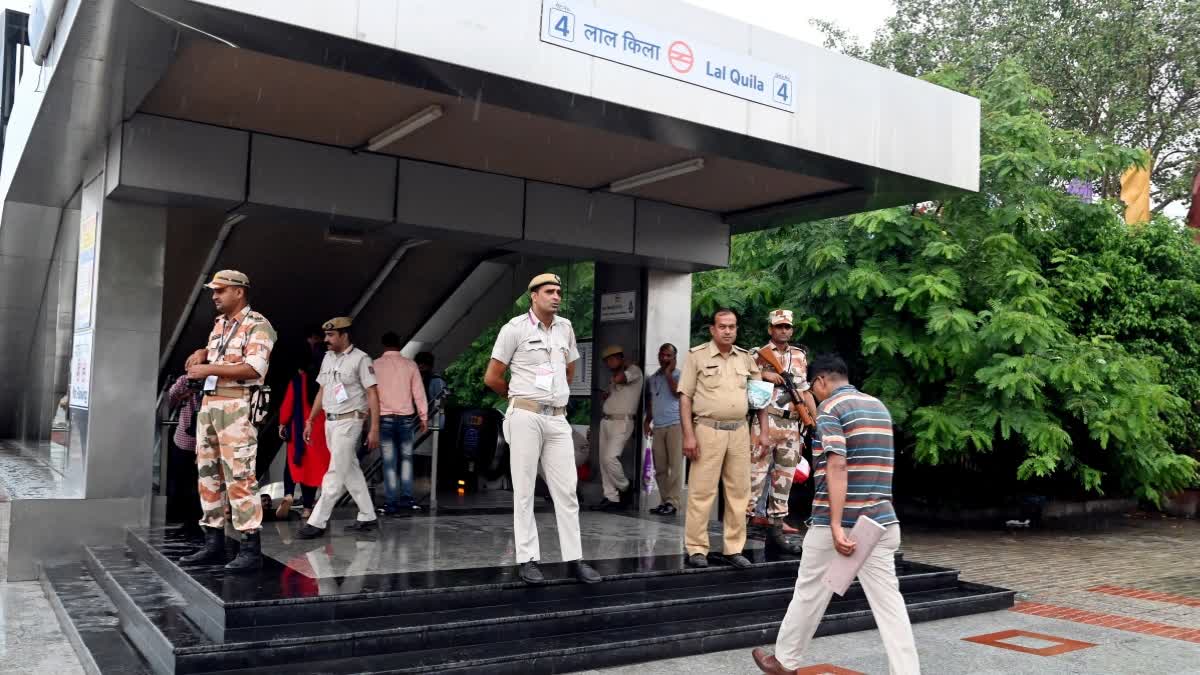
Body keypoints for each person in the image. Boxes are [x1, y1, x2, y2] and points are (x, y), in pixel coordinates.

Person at [752, 354, 919, 675]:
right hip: (881, 520)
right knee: (890, 606)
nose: (813, 397)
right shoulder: (878, 407)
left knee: (810, 589)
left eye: (812, 390)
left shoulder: (831, 409)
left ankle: (785, 661)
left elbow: (837, 464)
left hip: (841, 525)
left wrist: (836, 524)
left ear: (821, 381)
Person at [483, 272, 602, 586]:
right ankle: (527, 558)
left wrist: (554, 393)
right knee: (524, 491)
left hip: (557, 418)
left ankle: (574, 559)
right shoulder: (515, 329)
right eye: (550, 291)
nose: (557, 296)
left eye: (559, 291)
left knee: (567, 491)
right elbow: (493, 376)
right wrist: (518, 397)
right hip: (525, 415)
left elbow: (570, 368)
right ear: (533, 295)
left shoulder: (565, 328)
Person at [179, 270, 277, 572]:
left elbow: (253, 368)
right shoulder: (220, 324)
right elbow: (221, 352)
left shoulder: (258, 325)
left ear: (239, 292)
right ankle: (213, 542)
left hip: (236, 407)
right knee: (208, 475)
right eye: (214, 291)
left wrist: (208, 368)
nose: (214, 296)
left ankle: (250, 547)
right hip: (210, 406)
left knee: (240, 476)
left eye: (220, 290)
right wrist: (201, 353)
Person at [677, 308, 770, 570]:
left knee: (739, 492)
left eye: (732, 326)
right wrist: (688, 435)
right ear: (713, 329)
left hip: (739, 431)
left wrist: (763, 432)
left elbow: (759, 398)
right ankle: (696, 549)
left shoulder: (746, 358)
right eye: (723, 326)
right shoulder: (697, 356)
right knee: (701, 491)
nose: (728, 331)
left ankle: (733, 548)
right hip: (707, 429)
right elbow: (685, 397)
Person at [297, 317, 382, 538]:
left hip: (350, 421)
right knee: (350, 469)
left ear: (345, 335)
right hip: (330, 421)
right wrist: (310, 420)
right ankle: (368, 515)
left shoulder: (361, 359)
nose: (326, 339)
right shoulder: (327, 358)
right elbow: (322, 391)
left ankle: (317, 521)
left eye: (331, 335)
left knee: (335, 472)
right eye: (325, 335)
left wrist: (374, 428)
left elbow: (373, 393)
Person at [748, 309, 816, 554]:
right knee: (753, 479)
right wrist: (765, 374)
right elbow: (748, 382)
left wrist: (812, 422)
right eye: (779, 327)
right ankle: (737, 537)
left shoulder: (799, 356)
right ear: (770, 329)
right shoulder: (757, 354)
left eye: (787, 327)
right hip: (765, 422)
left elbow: (805, 391)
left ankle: (776, 534)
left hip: (791, 426)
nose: (783, 330)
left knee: (784, 481)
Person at [373, 331, 429, 515]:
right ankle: (407, 499)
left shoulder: (375, 365)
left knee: (389, 462)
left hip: (384, 418)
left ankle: (390, 502)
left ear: (383, 345)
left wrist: (369, 420)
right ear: (399, 344)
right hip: (405, 419)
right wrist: (424, 417)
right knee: (406, 459)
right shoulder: (410, 365)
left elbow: (370, 395)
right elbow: (419, 393)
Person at [276, 351, 330, 521]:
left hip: (298, 429)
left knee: (293, 463)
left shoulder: (297, 382)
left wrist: (282, 423)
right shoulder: (324, 382)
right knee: (312, 469)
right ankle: (307, 508)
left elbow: (287, 406)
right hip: (319, 430)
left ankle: (289, 494)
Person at [591, 345, 642, 511]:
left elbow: (621, 379)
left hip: (623, 421)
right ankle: (611, 497)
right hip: (607, 421)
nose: (609, 363)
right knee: (603, 461)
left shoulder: (633, 370)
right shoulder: (614, 376)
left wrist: (626, 365)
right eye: (607, 361)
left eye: (613, 359)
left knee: (610, 458)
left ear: (621, 358)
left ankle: (626, 487)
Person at [644, 343, 683, 516]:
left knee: (674, 467)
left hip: (675, 424)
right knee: (659, 467)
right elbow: (652, 401)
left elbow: (676, 393)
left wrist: (668, 374)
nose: (665, 359)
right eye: (662, 355)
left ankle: (672, 503)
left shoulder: (680, 375)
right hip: (658, 426)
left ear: (674, 358)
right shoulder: (653, 378)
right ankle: (664, 501)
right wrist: (647, 421)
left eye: (669, 356)